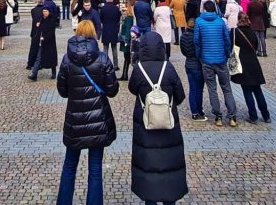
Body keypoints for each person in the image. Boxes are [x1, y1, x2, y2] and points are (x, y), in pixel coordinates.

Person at [55, 20, 119, 205]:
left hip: (75, 120)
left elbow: (62, 91)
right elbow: (112, 91)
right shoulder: (102, 59)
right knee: (95, 168)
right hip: (98, 120)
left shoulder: (67, 59)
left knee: (69, 166)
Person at [128, 31, 188, 205]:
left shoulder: (139, 69)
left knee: (148, 169)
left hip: (145, 126)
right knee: (170, 167)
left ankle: (151, 200)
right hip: (168, 126)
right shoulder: (168, 67)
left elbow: (133, 89)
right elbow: (180, 95)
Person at [194, 0, 237, 127]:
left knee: (212, 89)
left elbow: (197, 41)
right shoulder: (220, 21)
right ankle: (232, 116)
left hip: (206, 60)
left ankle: (218, 116)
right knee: (227, 88)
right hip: (221, 59)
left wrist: (199, 56)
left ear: (204, 9)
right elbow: (227, 39)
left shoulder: (199, 22)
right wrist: (227, 53)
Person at [231, 12, 271, 124]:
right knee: (258, 90)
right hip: (253, 63)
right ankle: (266, 115)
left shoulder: (235, 32)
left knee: (247, 90)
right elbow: (256, 45)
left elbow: (232, 47)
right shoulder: (252, 31)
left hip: (242, 62)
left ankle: (253, 116)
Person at [179, 15, 205, 121]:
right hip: (197, 65)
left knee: (192, 88)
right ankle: (198, 110)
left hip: (188, 63)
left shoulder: (183, 36)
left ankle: (194, 111)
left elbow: (183, 50)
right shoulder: (197, 36)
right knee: (199, 89)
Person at [29, 1, 59, 81]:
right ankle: (34, 74)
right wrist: (38, 26)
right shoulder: (41, 19)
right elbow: (39, 29)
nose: (44, 13)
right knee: (38, 58)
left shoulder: (52, 20)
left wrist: (45, 37)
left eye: (46, 11)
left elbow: (51, 32)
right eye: (43, 11)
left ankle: (53, 72)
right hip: (41, 42)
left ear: (49, 12)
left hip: (49, 42)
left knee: (51, 57)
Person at [100, 0, 122, 68]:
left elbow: (101, 19)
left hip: (106, 29)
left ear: (106, 0)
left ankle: (105, 65)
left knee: (105, 48)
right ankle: (115, 65)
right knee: (114, 48)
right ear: (112, 0)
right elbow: (118, 18)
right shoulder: (116, 8)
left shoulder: (103, 8)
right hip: (114, 29)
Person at [119, 1, 135, 81]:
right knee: (127, 59)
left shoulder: (129, 18)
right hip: (127, 40)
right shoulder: (128, 17)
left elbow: (129, 30)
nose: (123, 9)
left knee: (127, 58)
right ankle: (124, 75)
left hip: (127, 41)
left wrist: (126, 41)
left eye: (124, 8)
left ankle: (125, 75)